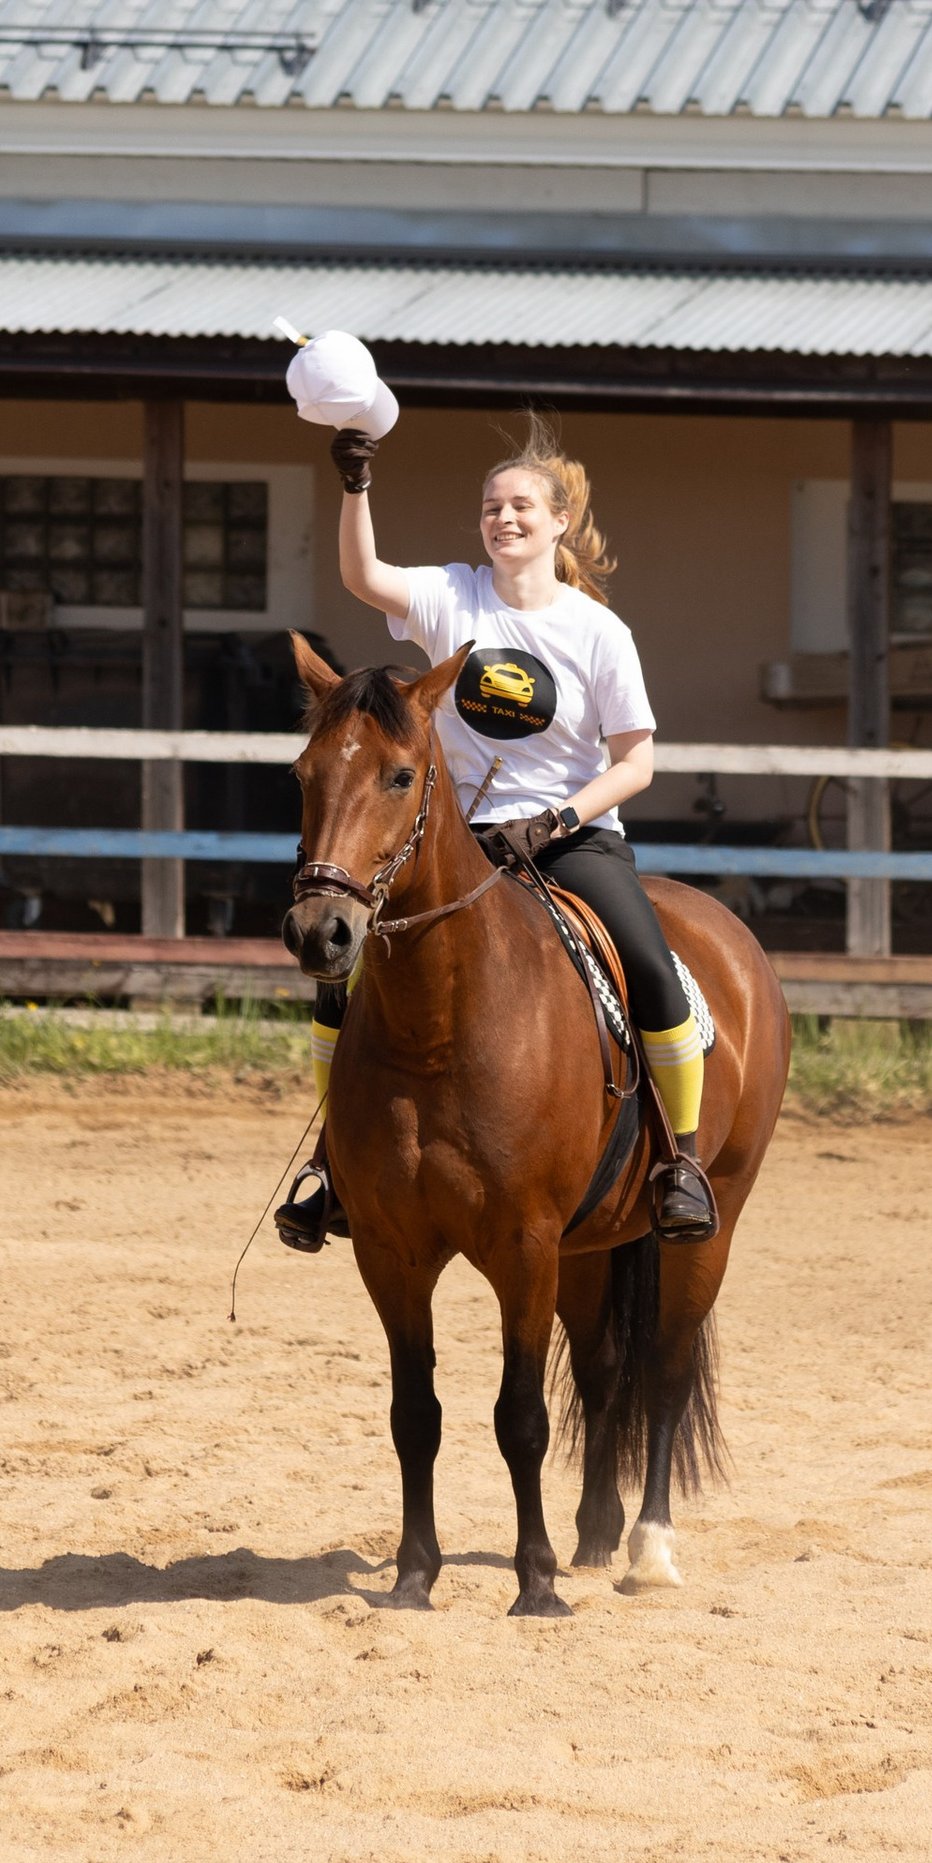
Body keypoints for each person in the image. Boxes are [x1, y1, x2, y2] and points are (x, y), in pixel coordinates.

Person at [281, 414, 716, 1247]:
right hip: (453, 837)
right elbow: (362, 572)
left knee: (654, 974)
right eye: (490, 508)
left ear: (560, 523)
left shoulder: (599, 633)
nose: (503, 518)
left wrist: (556, 818)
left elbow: (637, 764)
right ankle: (335, 1165)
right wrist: (355, 482)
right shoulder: (453, 595)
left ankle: (679, 1163)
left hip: (571, 835)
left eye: (520, 506)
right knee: (343, 985)